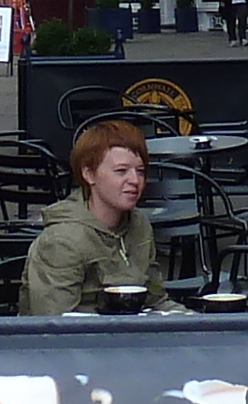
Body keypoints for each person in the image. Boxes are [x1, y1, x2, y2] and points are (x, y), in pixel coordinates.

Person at [20, 116, 170, 314]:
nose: (135, 180)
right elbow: (54, 326)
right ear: (89, 174)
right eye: (121, 171)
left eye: (140, 171)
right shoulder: (62, 241)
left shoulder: (138, 224)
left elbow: (157, 301)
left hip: (130, 336)